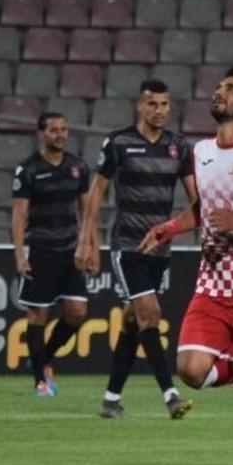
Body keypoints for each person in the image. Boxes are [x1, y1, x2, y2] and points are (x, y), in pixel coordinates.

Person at [140, 67, 233, 465]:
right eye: (220, 86)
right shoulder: (201, 150)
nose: (220, 92)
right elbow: (203, 208)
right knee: (191, 370)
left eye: (231, 88)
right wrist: (171, 228)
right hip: (212, 279)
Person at [78, 79, 196, 420]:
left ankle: (110, 400)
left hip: (161, 250)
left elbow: (197, 199)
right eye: (153, 104)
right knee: (150, 313)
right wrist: (87, 239)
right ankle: (171, 396)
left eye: (164, 104)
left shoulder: (179, 147)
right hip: (127, 244)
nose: (159, 110)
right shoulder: (118, 143)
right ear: (140, 106)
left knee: (134, 320)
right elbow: (97, 192)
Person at [12, 112, 89, 397]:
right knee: (38, 314)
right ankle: (40, 383)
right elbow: (19, 216)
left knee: (77, 312)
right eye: (54, 130)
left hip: (70, 250)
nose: (60, 135)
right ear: (41, 134)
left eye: (64, 129)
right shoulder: (28, 170)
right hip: (40, 248)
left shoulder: (78, 167)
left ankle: (43, 357)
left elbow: (87, 211)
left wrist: (91, 246)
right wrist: (20, 255)